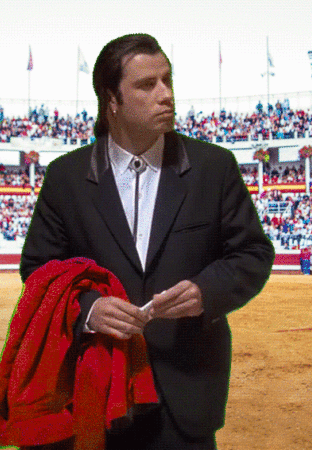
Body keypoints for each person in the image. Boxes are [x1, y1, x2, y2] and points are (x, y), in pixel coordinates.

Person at [18, 33, 274, 449]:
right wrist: (89, 309)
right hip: (94, 388)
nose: (166, 94)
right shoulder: (65, 177)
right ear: (111, 100)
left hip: (185, 394)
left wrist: (205, 291)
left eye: (167, 80)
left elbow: (253, 253)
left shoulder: (214, 167)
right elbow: (39, 270)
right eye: (146, 85)